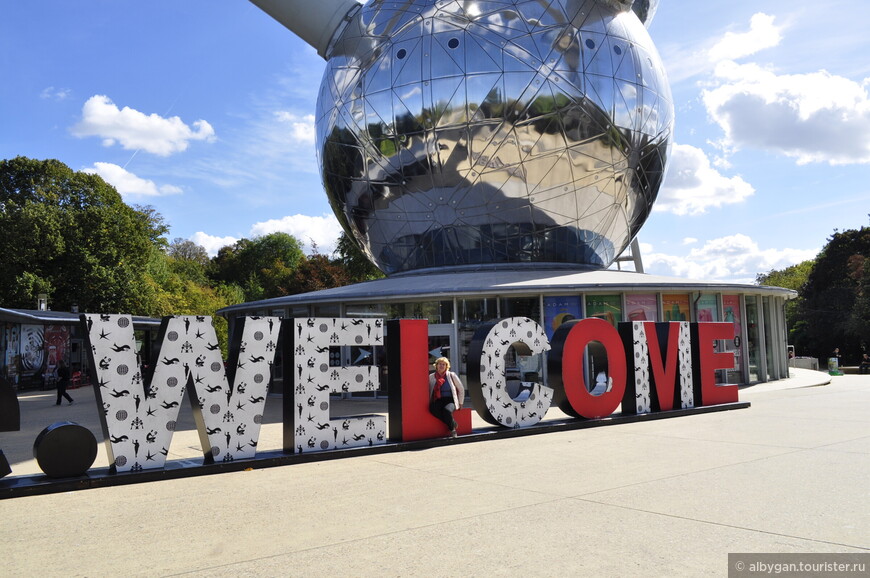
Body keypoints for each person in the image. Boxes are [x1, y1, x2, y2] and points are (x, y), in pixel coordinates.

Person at [428, 357, 464, 438]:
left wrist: (461, 403)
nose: (441, 366)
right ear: (436, 365)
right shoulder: (431, 377)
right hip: (439, 399)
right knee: (432, 409)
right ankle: (453, 423)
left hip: (450, 400)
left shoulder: (451, 375)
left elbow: (461, 389)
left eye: (443, 364)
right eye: (440, 364)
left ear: (446, 366)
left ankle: (453, 429)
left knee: (447, 411)